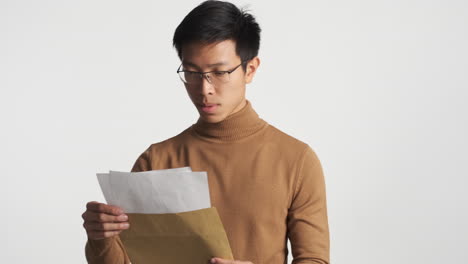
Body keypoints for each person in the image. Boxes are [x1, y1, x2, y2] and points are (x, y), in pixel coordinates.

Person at [81, 1, 330, 263]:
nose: (204, 89)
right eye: (192, 72)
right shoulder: (156, 160)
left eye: (220, 72)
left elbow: (315, 259)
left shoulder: (296, 160)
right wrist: (100, 236)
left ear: (251, 69)